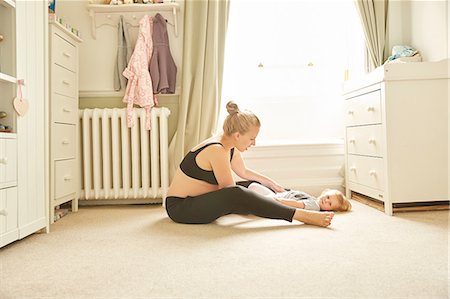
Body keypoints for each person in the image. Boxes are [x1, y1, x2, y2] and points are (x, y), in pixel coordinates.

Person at [165, 101, 334, 227]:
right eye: (252, 138)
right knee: (239, 192)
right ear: (237, 135)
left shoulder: (229, 146)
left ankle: (279, 201)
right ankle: (301, 215)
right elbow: (230, 192)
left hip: (199, 200)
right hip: (181, 208)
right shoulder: (217, 150)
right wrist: (256, 199)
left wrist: (273, 185)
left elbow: (244, 172)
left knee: (249, 185)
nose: (254, 143)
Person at [247, 182, 352, 212]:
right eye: (328, 197)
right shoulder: (314, 199)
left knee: (253, 195)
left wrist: (278, 200)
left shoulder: (314, 205)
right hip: (276, 195)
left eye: (330, 204)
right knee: (253, 186)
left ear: (330, 210)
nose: (326, 200)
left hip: (276, 200)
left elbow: (297, 204)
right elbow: (296, 196)